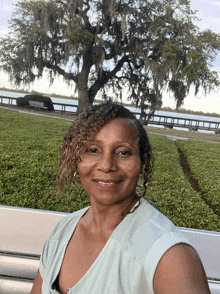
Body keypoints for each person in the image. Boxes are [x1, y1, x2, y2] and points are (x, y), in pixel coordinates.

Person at [31, 102, 211, 294]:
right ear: (77, 159)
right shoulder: (63, 231)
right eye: (93, 150)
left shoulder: (169, 256)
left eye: (123, 152)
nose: (106, 165)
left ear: (142, 163)